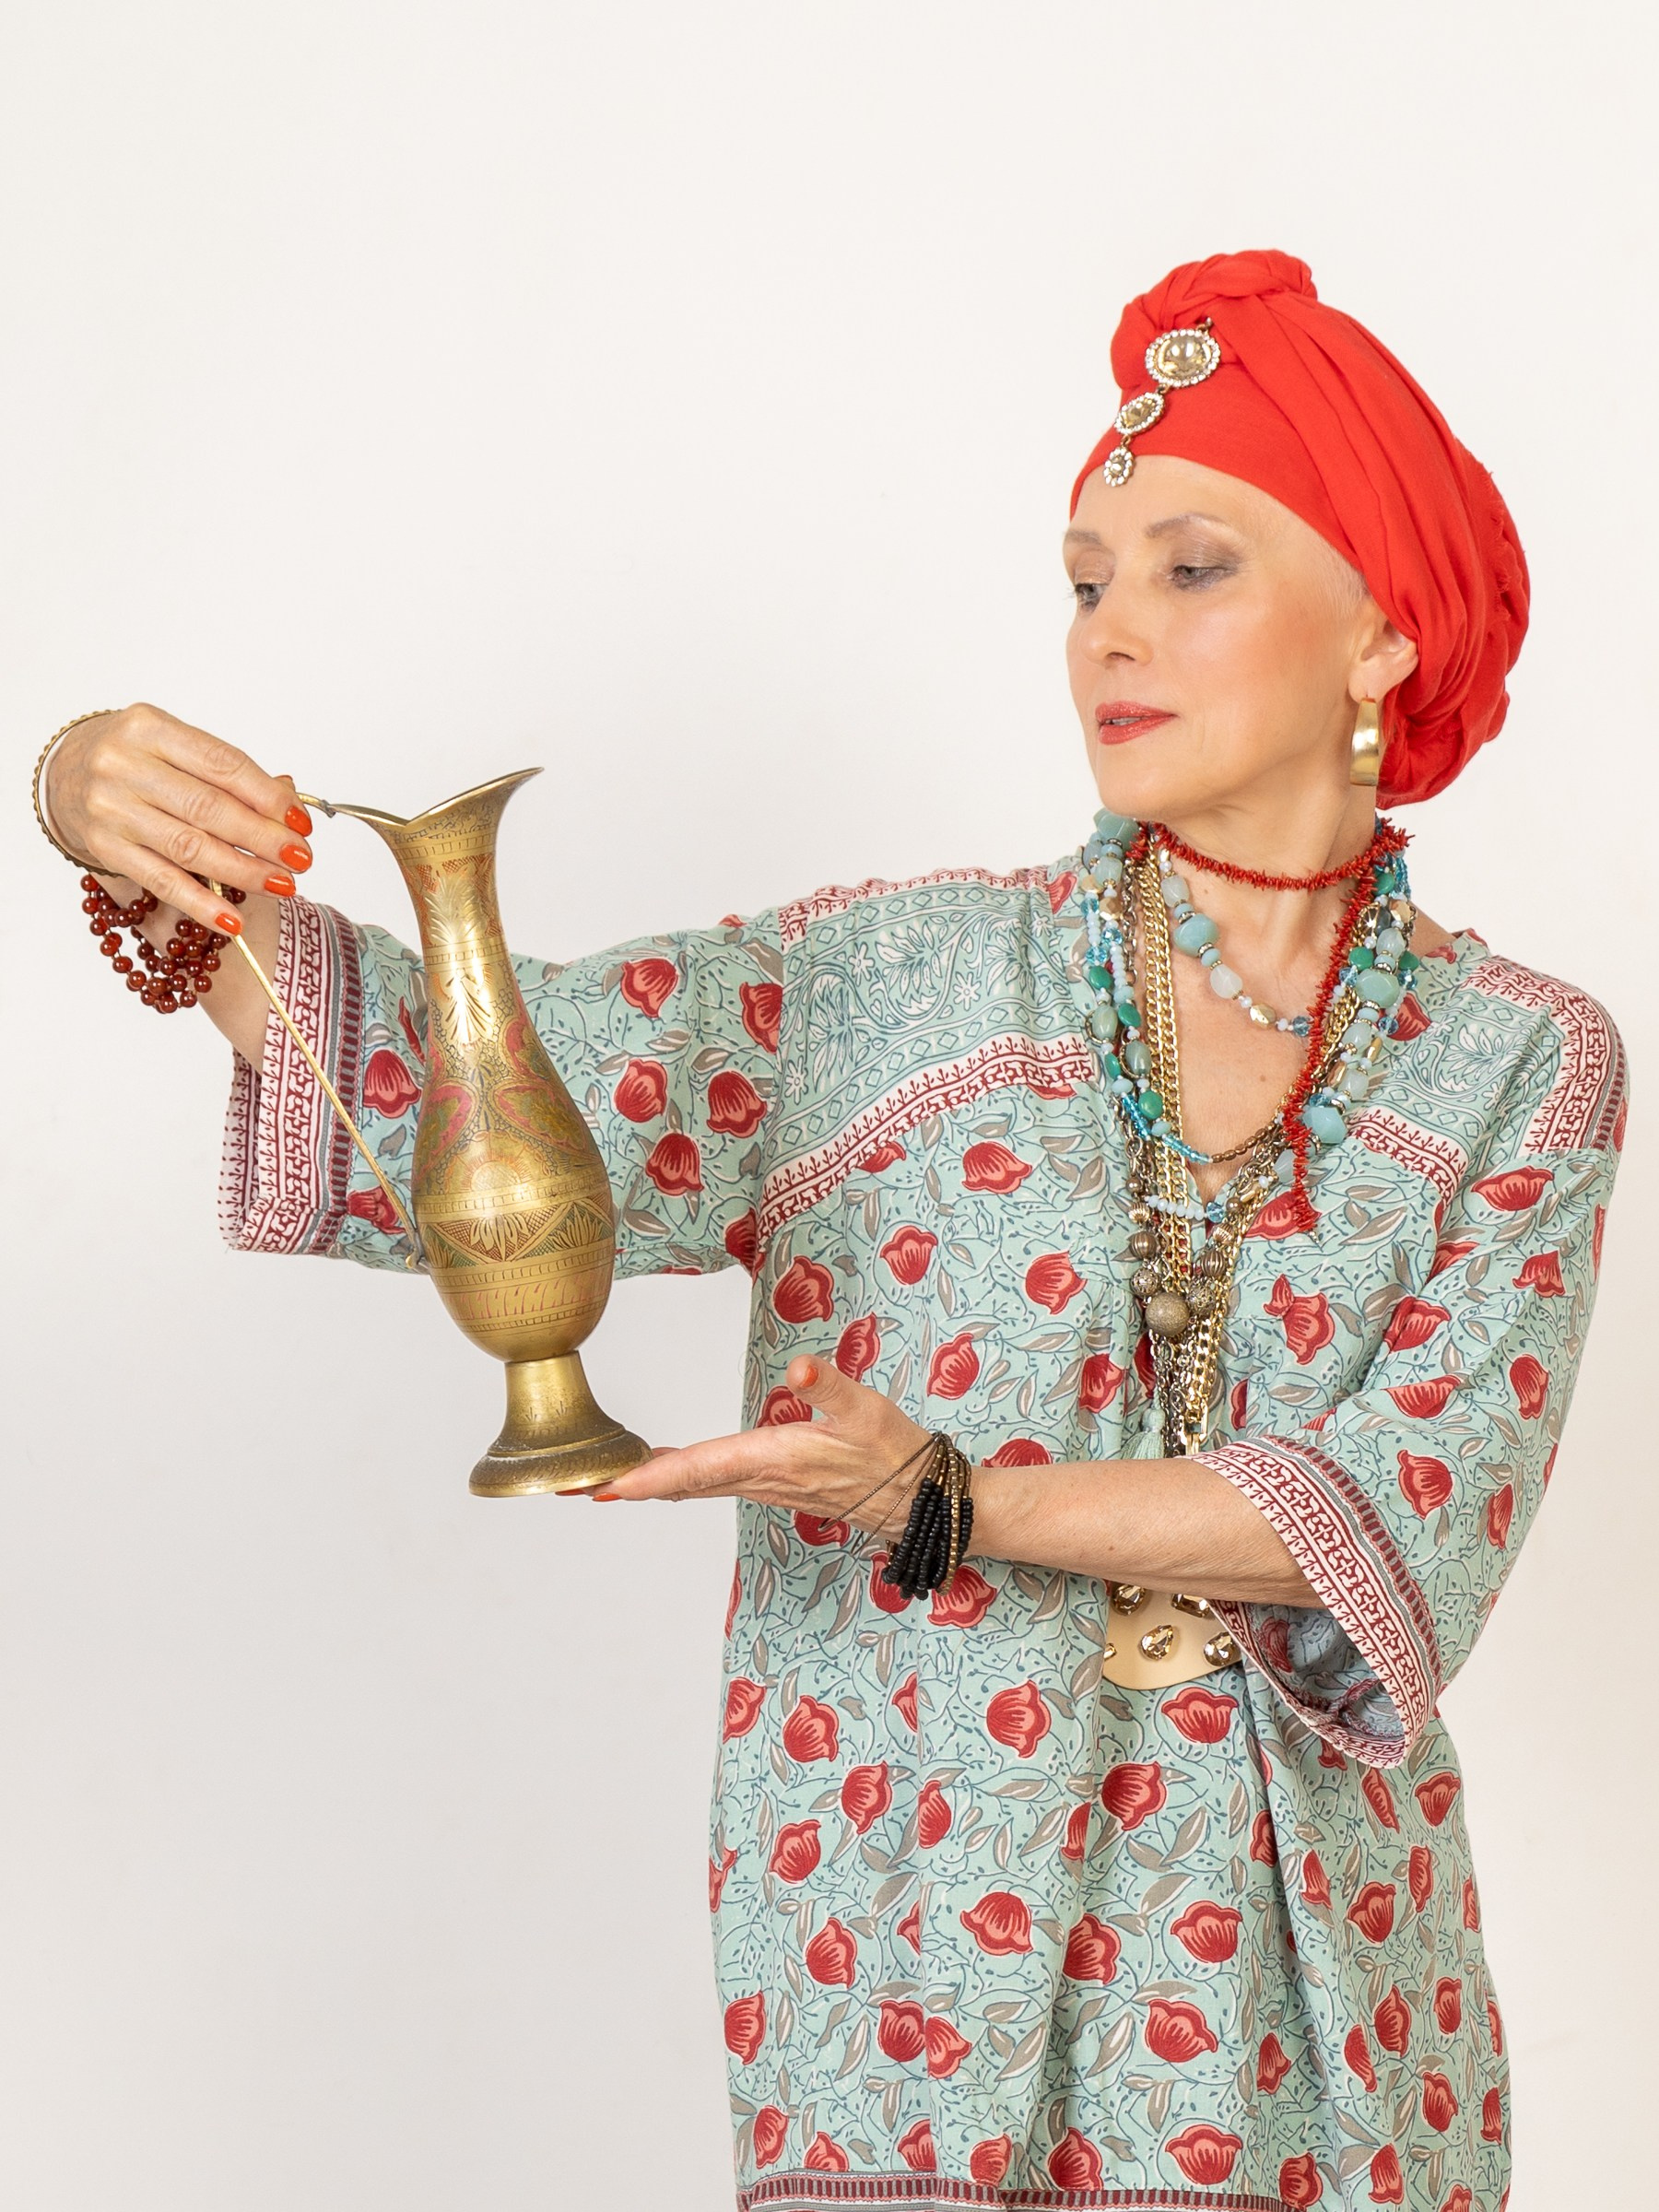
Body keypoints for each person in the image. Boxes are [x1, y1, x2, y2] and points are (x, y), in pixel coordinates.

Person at [38, 251, 1625, 2212]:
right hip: (906, 1982)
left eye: (1191, 567)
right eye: (1085, 581)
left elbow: (1402, 1515)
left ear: (1383, 631)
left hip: (1324, 2030)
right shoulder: (884, 989)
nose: (1112, 631)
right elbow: (460, 1103)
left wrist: (949, 1498)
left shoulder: (1516, 1062)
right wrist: (125, 825)